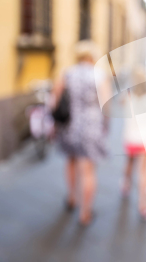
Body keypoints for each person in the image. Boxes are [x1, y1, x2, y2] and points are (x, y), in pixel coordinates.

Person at [53, 40, 110, 226]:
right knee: (88, 170)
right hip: (91, 128)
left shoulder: (67, 73)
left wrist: (54, 125)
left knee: (70, 160)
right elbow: (106, 105)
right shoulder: (99, 75)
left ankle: (72, 198)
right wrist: (105, 125)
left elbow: (55, 100)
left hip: (69, 126)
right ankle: (85, 213)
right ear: (92, 56)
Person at [121, 70, 146, 221]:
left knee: (129, 163)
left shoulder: (128, 97)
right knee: (144, 171)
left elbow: (120, 102)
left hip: (131, 138)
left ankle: (126, 184)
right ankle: (144, 205)